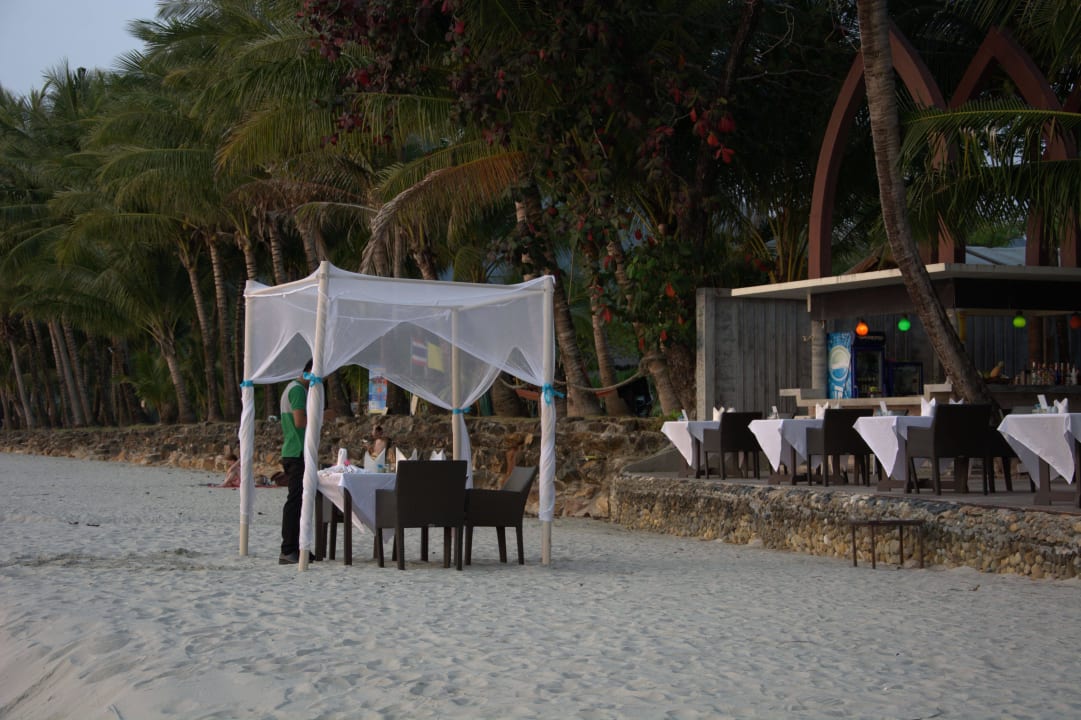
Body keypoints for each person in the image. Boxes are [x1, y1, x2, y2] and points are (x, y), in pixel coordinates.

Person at [279, 360, 313, 564]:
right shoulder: (298, 390)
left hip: (294, 450)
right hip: (296, 451)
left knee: (300, 501)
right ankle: (288, 548)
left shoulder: (292, 388)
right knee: (295, 500)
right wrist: (321, 416)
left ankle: (299, 546)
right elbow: (300, 421)